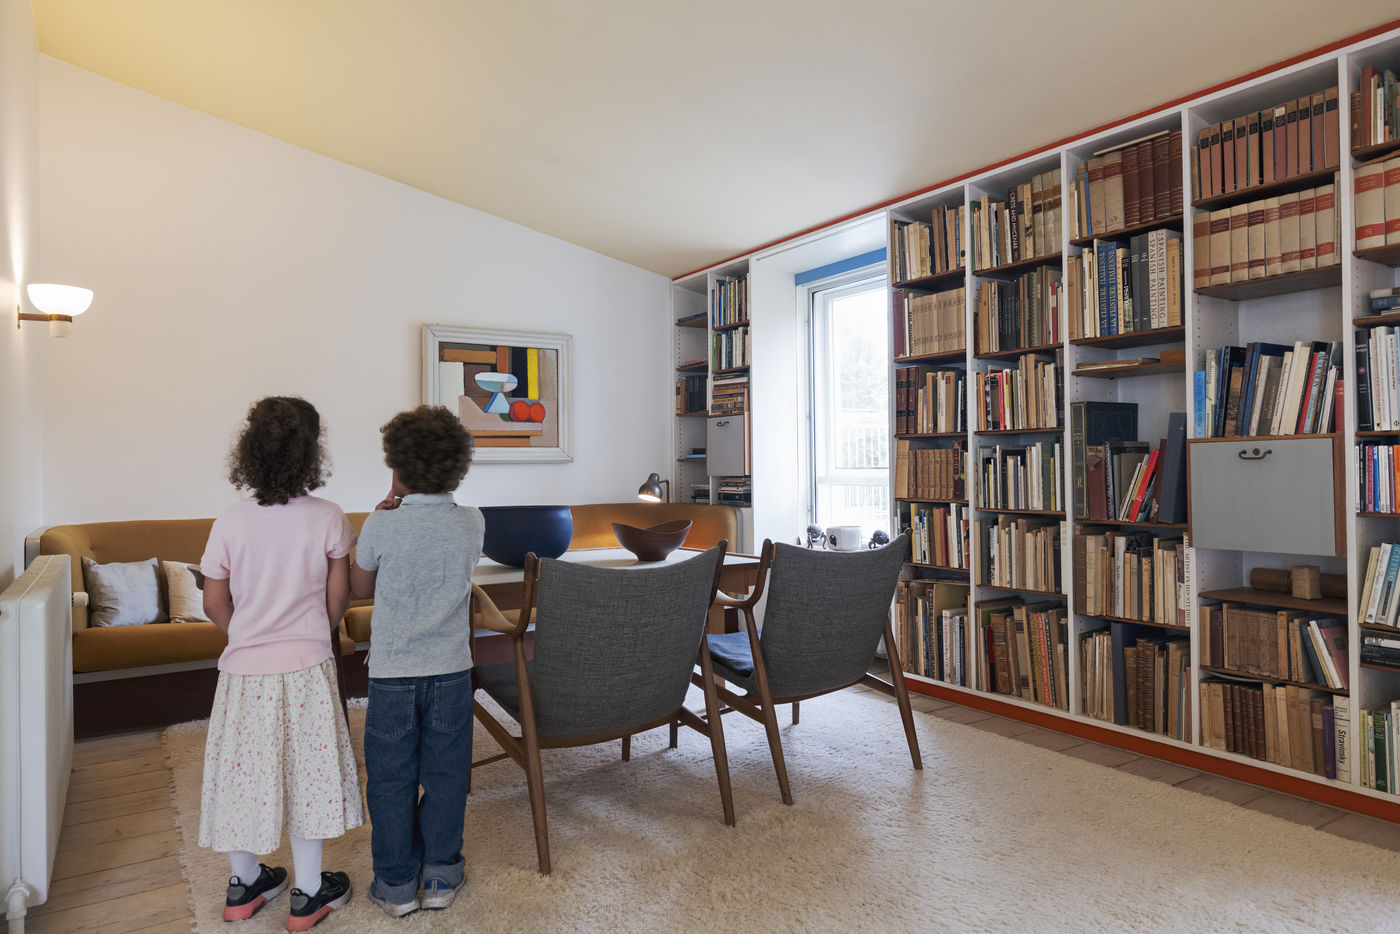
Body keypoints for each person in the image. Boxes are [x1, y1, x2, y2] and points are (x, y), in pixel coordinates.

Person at [199, 396, 362, 930]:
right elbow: (338, 598)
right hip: (307, 667)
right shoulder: (328, 517)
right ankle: (308, 894)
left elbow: (213, 602)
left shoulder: (230, 520)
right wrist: (311, 633)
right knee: (308, 775)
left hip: (244, 672)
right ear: (311, 452)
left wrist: (248, 637)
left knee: (245, 775)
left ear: (249, 450)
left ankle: (244, 885)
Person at [351, 405, 482, 918]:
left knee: (390, 778)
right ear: (457, 465)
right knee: (447, 775)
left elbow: (360, 588)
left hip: (392, 675)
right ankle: (441, 873)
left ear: (397, 466)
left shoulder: (381, 524)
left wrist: (387, 507)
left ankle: (396, 884)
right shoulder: (472, 522)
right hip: (451, 672)